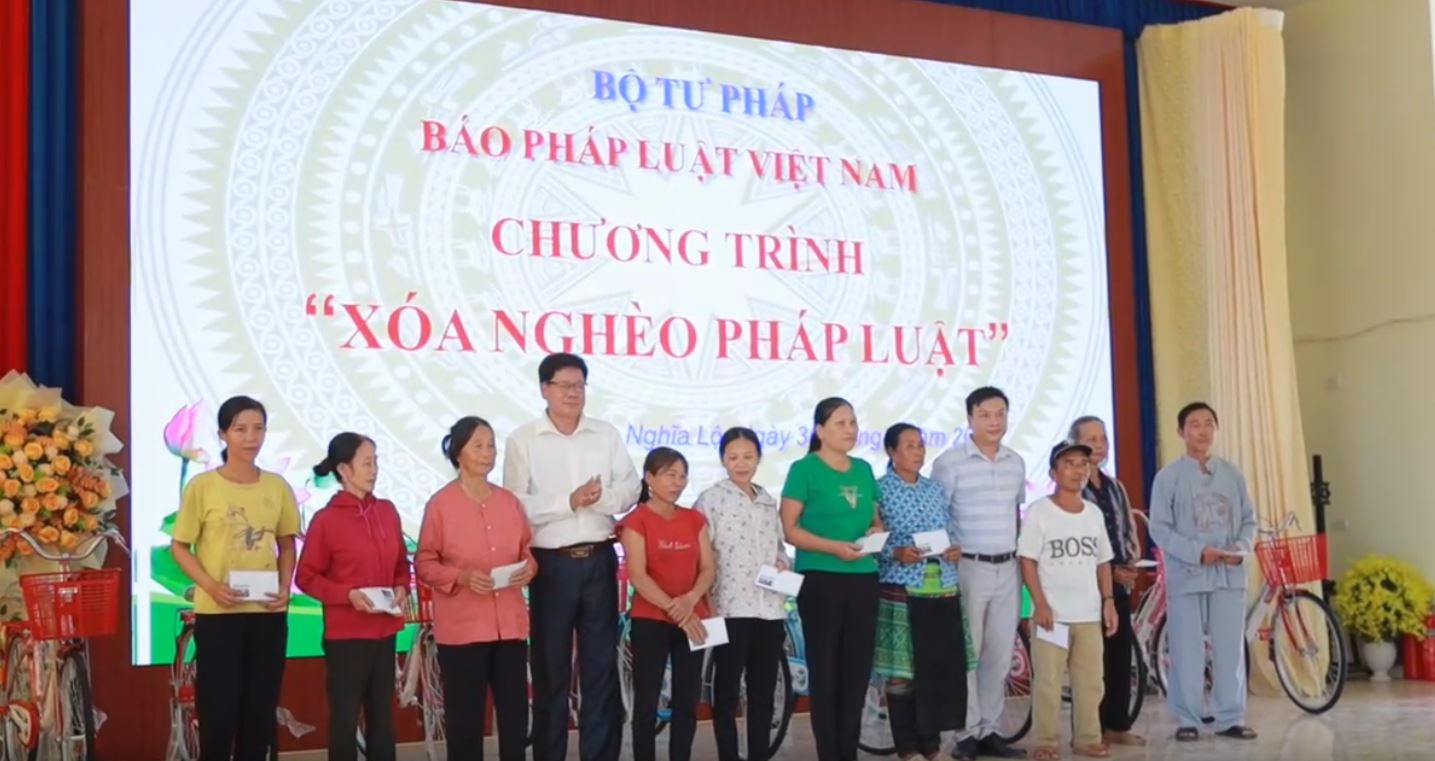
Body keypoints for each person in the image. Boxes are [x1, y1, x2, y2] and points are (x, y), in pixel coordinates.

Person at [502, 353, 640, 761]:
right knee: (551, 670)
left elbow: (630, 489)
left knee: (601, 669)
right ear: (544, 389)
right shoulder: (524, 439)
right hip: (551, 565)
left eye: (579, 385)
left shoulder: (605, 434)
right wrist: (569, 501)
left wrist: (600, 500)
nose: (573, 393)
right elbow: (515, 503)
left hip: (599, 559)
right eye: (564, 386)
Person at [169, 395, 299, 761]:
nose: (251, 437)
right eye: (240, 429)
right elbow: (179, 547)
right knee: (219, 711)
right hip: (218, 614)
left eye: (258, 428)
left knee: (260, 711)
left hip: (267, 614)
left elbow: (286, 545)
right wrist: (211, 586)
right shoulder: (203, 487)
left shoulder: (277, 487)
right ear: (223, 434)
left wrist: (284, 586)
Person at [417, 416, 536, 761]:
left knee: (515, 718)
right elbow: (424, 563)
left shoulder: (509, 502)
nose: (487, 453)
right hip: (463, 631)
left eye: (491, 445)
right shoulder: (440, 505)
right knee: (465, 722)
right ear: (458, 453)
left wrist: (529, 568)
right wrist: (462, 577)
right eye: (478, 446)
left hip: (509, 627)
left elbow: (527, 551)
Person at [295, 433, 410, 761]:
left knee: (383, 719)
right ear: (344, 470)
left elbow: (401, 565)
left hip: (384, 632)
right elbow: (306, 577)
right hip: (346, 636)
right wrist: (347, 595)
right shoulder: (326, 520)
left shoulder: (387, 511)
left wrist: (401, 587)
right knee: (345, 720)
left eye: (376, 462)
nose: (374, 470)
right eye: (366, 463)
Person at [780, 397, 883, 761]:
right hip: (821, 580)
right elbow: (790, 529)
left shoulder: (864, 469)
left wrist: (875, 533)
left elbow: (875, 519)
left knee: (856, 673)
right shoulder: (803, 469)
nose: (850, 429)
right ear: (820, 430)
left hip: (864, 579)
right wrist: (833, 548)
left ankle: (848, 752)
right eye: (841, 423)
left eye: (853, 422)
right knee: (825, 672)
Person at [1148, 402, 1258, 743]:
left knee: (1229, 650)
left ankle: (1230, 717)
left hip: (1228, 576)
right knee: (1186, 650)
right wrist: (1197, 552)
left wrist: (1240, 549)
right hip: (1188, 576)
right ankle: (1188, 718)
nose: (1203, 430)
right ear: (1181, 432)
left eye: (1209, 423)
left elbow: (1249, 521)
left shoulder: (1233, 474)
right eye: (1194, 424)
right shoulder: (1168, 477)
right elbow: (1159, 528)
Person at [931, 387, 1028, 760]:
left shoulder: (1016, 462)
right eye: (985, 414)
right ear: (970, 418)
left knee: (1000, 653)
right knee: (968, 654)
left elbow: (1015, 515)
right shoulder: (949, 463)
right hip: (968, 567)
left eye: (1000, 413)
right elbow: (939, 516)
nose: (994, 421)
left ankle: (991, 729)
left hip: (1008, 567)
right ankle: (967, 732)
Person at [1018, 441, 1119, 761]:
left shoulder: (1093, 513)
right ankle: (1046, 741)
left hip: (1088, 614)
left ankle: (1088, 738)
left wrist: (1108, 601)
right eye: (1069, 463)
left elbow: (1103, 561)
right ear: (1053, 473)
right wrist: (1040, 604)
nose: (1078, 470)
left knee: (1090, 682)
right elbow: (1027, 561)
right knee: (1048, 682)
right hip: (1052, 616)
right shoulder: (1040, 511)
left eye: (1083, 464)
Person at [873, 423, 967, 761]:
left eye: (921, 444)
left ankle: (931, 745)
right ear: (891, 452)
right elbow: (871, 538)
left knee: (935, 669)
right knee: (903, 675)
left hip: (941, 588)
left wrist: (954, 549)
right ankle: (907, 748)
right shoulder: (879, 489)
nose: (918, 451)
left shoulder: (934, 489)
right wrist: (895, 552)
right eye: (910, 445)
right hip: (902, 588)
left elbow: (949, 530)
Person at [694, 427, 789, 761]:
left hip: (770, 609)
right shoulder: (710, 499)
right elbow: (701, 553)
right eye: (733, 457)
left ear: (759, 458)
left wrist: (782, 562)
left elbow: (779, 546)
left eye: (748, 456)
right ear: (723, 459)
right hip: (730, 608)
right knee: (727, 692)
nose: (741, 463)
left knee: (763, 694)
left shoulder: (767, 500)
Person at [620, 447, 715, 761]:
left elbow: (708, 568)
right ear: (649, 478)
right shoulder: (636, 520)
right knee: (646, 702)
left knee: (687, 703)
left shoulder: (694, 519)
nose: (678, 482)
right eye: (670, 475)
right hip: (651, 620)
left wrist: (690, 601)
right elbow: (638, 575)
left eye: (682, 475)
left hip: (694, 621)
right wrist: (677, 610)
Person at [1068, 416, 1147, 747]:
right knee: (1090, 660)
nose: (1099, 446)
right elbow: (1075, 541)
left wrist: (1130, 562)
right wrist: (1108, 569)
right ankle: (1090, 729)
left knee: (1118, 655)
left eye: (1103, 439)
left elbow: (1127, 529)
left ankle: (1117, 724)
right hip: (1087, 585)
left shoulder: (1115, 487)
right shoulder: (1071, 490)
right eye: (1091, 440)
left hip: (1118, 585)